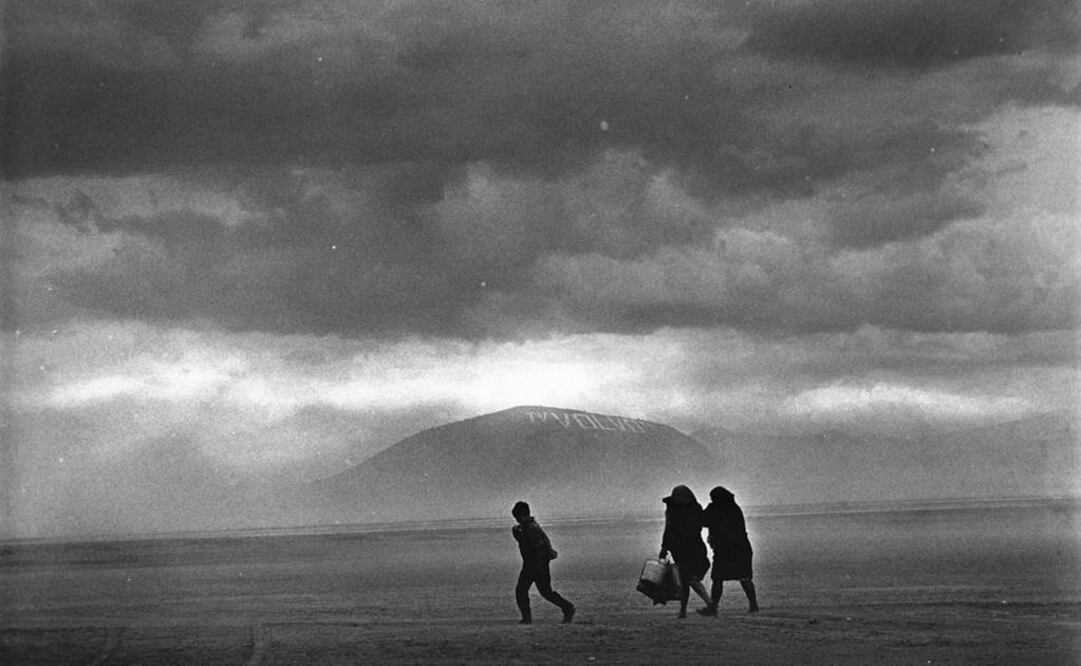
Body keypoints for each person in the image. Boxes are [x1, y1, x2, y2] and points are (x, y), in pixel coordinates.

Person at [511, 501, 575, 624]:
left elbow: (535, 547)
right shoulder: (532, 526)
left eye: (517, 517)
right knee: (545, 592)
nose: (517, 520)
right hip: (538, 564)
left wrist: (519, 537)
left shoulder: (529, 528)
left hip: (534, 564)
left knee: (522, 591)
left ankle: (527, 619)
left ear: (520, 516)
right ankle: (567, 608)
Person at [698, 486, 758, 615]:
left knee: (718, 579)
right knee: (744, 577)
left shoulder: (715, 509)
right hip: (741, 548)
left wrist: (707, 508)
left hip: (724, 549)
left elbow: (703, 521)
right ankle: (753, 605)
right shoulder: (734, 508)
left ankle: (713, 607)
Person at [659, 485, 712, 618]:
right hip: (696, 546)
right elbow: (703, 523)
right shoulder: (696, 508)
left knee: (685, 580)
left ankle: (687, 610)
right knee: (690, 578)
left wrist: (664, 548)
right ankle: (704, 605)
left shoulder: (673, 509)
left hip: (680, 549)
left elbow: (669, 529)